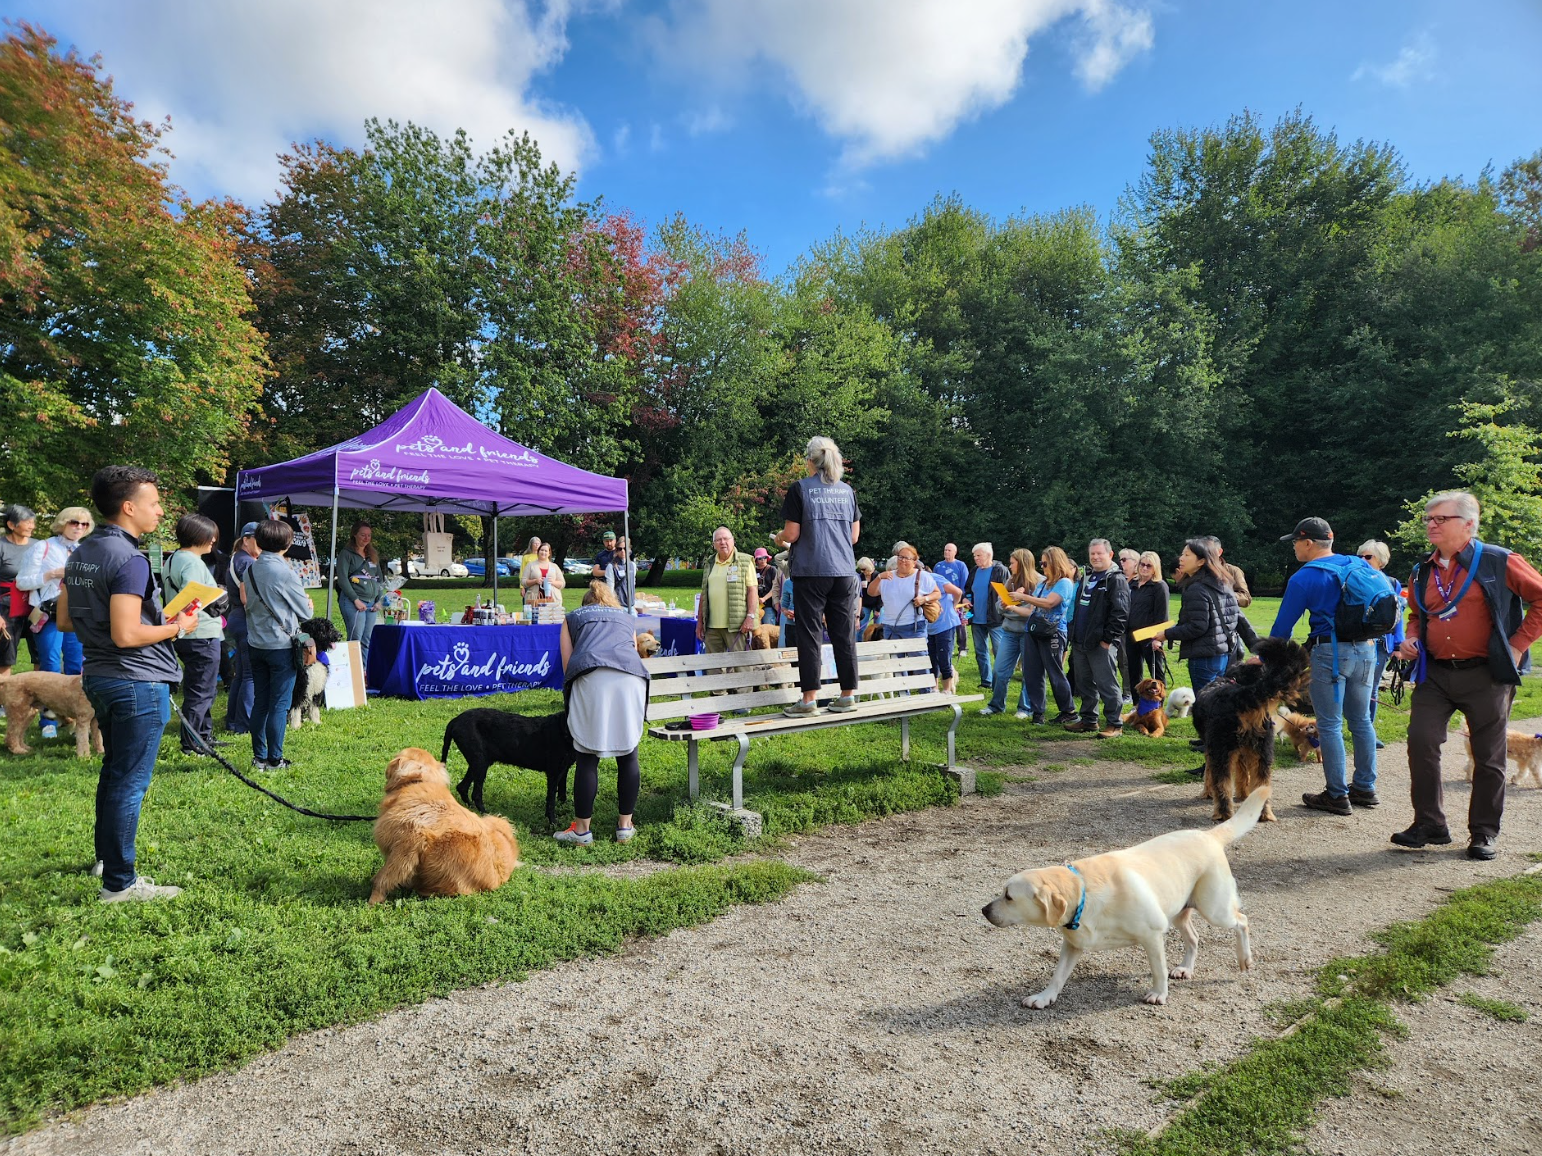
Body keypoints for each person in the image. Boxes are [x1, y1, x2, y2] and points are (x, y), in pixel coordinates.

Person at [57, 466, 198, 902]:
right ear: (129, 506)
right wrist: (178, 627)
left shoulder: (81, 551)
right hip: (135, 680)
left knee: (115, 773)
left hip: (99, 675)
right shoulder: (131, 558)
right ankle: (119, 882)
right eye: (154, 503)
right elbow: (127, 635)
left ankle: (106, 858)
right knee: (129, 782)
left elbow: (64, 619)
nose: (160, 511)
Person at [1392, 492, 1542, 860]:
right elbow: (1416, 615)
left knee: (1489, 756)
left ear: (1469, 524)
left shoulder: (1500, 560)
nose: (1431, 524)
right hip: (1436, 674)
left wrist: (1518, 645)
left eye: (1440, 519)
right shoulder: (1422, 569)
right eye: (1429, 518)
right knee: (1421, 742)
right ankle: (1430, 824)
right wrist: (1412, 638)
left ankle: (1484, 832)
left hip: (1487, 675)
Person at [1268, 517, 1378, 817]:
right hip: (1368, 650)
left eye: (1295, 541)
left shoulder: (1305, 577)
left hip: (1330, 651)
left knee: (1329, 724)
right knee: (1361, 721)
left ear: (1308, 543)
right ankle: (1365, 787)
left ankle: (1336, 794)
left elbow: (1282, 627)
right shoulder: (1358, 565)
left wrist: (1268, 657)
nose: (1293, 546)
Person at [553, 582, 651, 845]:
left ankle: (582, 831)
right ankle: (625, 827)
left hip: (590, 677)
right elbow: (632, 652)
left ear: (586, 603)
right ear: (611, 602)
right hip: (631, 680)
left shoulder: (572, 618)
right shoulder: (627, 617)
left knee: (586, 755)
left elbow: (567, 665)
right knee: (629, 752)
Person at [772, 435, 861, 717]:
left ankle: (809, 700)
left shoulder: (800, 489)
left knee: (809, 634)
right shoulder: (847, 491)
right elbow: (854, 537)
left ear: (810, 461)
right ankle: (847, 695)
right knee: (843, 633)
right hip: (844, 571)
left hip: (811, 571)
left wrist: (779, 538)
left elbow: (793, 534)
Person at [242, 519, 314, 771]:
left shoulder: (249, 570)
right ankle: (275, 758)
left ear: (259, 541)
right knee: (279, 704)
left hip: (256, 643)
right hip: (281, 645)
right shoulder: (284, 572)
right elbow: (304, 612)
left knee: (260, 701)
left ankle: (259, 757)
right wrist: (308, 603)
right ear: (287, 543)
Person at [17, 506, 93, 737]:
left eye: (84, 524)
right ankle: (48, 720)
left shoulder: (85, 550)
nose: (79, 528)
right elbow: (22, 582)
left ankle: (74, 718)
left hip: (76, 614)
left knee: (76, 667)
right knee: (49, 665)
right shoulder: (44, 546)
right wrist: (51, 575)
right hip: (47, 613)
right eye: (74, 522)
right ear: (62, 523)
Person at [157, 513, 225, 757]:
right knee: (201, 690)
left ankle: (204, 736)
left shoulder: (175, 557)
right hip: (200, 633)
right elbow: (193, 596)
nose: (214, 540)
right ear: (198, 536)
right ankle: (192, 743)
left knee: (202, 687)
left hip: (187, 634)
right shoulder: (193, 562)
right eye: (210, 535)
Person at [1154, 539, 1253, 699]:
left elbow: (1197, 627)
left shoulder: (1196, 589)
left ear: (1201, 561)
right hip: (1223, 655)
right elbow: (1239, 619)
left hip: (1204, 657)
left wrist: (1167, 634)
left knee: (1206, 708)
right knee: (1219, 705)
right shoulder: (1222, 583)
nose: (1181, 559)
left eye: (1187, 555)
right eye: (1182, 554)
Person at [1064, 539, 1130, 737]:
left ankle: (1114, 724)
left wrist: (1107, 640)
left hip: (1101, 643)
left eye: (1099, 553)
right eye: (1092, 554)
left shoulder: (1115, 579)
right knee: (1084, 683)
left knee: (1106, 684)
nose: (1095, 557)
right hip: (1081, 640)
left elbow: (1120, 614)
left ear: (1110, 555)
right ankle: (1089, 720)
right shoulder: (1088, 577)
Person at [1015, 546, 1079, 724]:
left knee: (1054, 672)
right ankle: (1038, 712)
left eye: (1045, 563)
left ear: (1055, 563)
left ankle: (1069, 710)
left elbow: (1050, 603)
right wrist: (1011, 605)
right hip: (1034, 630)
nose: (1042, 567)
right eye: (1041, 563)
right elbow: (1031, 610)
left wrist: (1025, 597)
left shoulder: (1065, 583)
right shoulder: (1043, 584)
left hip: (1053, 633)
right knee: (1032, 672)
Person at [980, 548, 1041, 717]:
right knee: (999, 670)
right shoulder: (1010, 581)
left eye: (1012, 563)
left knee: (1028, 672)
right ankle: (996, 705)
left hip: (1029, 634)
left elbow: (1032, 612)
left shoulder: (1039, 582)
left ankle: (1025, 708)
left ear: (1022, 564)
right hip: (1009, 632)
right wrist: (1012, 608)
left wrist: (1011, 608)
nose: (1010, 566)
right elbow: (999, 606)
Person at [1358, 539, 1404, 748]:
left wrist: (1398, 645)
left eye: (1368, 557)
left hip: (1381, 645)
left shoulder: (1392, 583)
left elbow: (1398, 616)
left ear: (1381, 561)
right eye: (1360, 556)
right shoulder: (1354, 579)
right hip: (1357, 642)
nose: (1362, 560)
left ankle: (1368, 732)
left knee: (1372, 689)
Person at [696, 527, 758, 655]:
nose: (722, 542)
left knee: (741, 667)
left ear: (733, 541)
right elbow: (704, 594)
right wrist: (700, 624)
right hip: (712, 627)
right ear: (714, 545)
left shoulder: (745, 561)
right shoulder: (709, 563)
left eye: (726, 539)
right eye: (718, 540)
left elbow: (753, 591)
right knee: (713, 667)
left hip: (737, 626)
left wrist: (750, 617)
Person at [223, 523, 260, 735]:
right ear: (246, 540)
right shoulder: (246, 562)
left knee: (241, 674)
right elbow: (247, 598)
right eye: (258, 539)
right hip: (245, 619)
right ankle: (244, 725)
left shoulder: (237, 557)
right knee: (250, 676)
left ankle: (233, 721)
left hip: (235, 618)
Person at [335, 521, 384, 670]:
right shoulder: (346, 554)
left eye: (369, 535)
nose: (366, 538)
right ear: (354, 534)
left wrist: (379, 600)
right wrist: (355, 599)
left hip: (371, 604)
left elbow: (380, 579)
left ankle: (363, 672)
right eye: (363, 535)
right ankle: (352, 672)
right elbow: (342, 579)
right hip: (353, 602)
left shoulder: (372, 555)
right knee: (355, 637)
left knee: (366, 639)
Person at [960, 543, 1010, 688]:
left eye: (978, 555)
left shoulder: (1000, 570)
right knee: (980, 651)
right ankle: (986, 681)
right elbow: (968, 589)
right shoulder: (975, 570)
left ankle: (999, 683)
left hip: (996, 619)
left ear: (988, 555)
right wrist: (965, 598)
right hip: (976, 618)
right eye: (974, 556)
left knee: (999, 653)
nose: (975, 558)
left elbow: (1008, 593)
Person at [867, 543, 940, 643]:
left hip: (914, 626)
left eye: (907, 558)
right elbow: (871, 592)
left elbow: (937, 593)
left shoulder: (923, 576)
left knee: (917, 658)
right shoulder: (887, 576)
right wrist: (879, 578)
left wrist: (924, 599)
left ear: (914, 562)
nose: (903, 561)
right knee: (894, 658)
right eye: (900, 557)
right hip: (890, 626)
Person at [1124, 550, 1171, 695]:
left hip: (1150, 635)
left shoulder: (1159, 586)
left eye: (1149, 566)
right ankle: (1137, 703)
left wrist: (1158, 639)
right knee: (1133, 670)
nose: (1144, 568)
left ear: (1155, 568)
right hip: (1132, 633)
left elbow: (1162, 614)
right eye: (1142, 564)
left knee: (1156, 671)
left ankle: (1159, 704)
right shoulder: (1132, 583)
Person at [0, 503, 39, 676]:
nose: (32, 526)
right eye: (27, 522)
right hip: (6, 606)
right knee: (5, 656)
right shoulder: (1, 546)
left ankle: (38, 699)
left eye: (33, 522)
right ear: (11, 524)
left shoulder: (39, 546)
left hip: (36, 606)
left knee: (40, 653)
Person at [928, 559, 963, 694]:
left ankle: (947, 689)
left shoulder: (934, 578)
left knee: (944, 657)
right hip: (930, 625)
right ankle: (934, 687)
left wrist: (953, 606)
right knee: (931, 658)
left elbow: (958, 592)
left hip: (945, 623)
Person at [934, 543, 970, 658]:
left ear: (955, 552)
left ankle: (963, 647)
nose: (947, 552)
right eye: (945, 550)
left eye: (949, 550)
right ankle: (948, 646)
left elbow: (965, 582)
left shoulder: (960, 565)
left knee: (961, 623)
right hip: (942, 600)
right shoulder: (938, 566)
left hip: (957, 598)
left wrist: (963, 597)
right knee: (945, 623)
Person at [1201, 535, 1252, 608]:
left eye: (1210, 550)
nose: (1207, 554)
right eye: (1204, 551)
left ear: (1219, 552)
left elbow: (1246, 598)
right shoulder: (1195, 570)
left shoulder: (1233, 571)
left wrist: (1225, 595)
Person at [521, 542, 566, 608]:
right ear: (538, 551)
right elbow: (523, 581)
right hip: (534, 599)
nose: (543, 552)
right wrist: (535, 581)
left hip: (553, 599)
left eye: (546, 551)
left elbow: (562, 583)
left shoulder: (554, 566)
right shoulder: (530, 565)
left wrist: (553, 582)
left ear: (549, 553)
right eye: (542, 550)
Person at [601, 537, 637, 607]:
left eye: (625, 548)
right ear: (616, 551)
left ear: (629, 550)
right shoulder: (611, 567)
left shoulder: (632, 565)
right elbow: (610, 588)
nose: (622, 551)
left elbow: (633, 584)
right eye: (619, 549)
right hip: (619, 605)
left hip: (631, 605)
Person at [855, 557, 881, 638]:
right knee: (861, 627)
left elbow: (881, 594)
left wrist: (878, 609)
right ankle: (859, 644)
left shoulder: (877, 576)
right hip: (865, 605)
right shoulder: (860, 577)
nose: (862, 571)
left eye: (864, 569)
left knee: (878, 627)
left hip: (877, 604)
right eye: (861, 569)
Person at [754, 547, 781, 625]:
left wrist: (764, 598)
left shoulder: (772, 570)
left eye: (765, 557)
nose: (763, 560)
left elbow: (775, 588)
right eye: (760, 558)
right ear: (756, 560)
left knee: (768, 627)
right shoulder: (753, 570)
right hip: (755, 605)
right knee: (756, 630)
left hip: (769, 604)